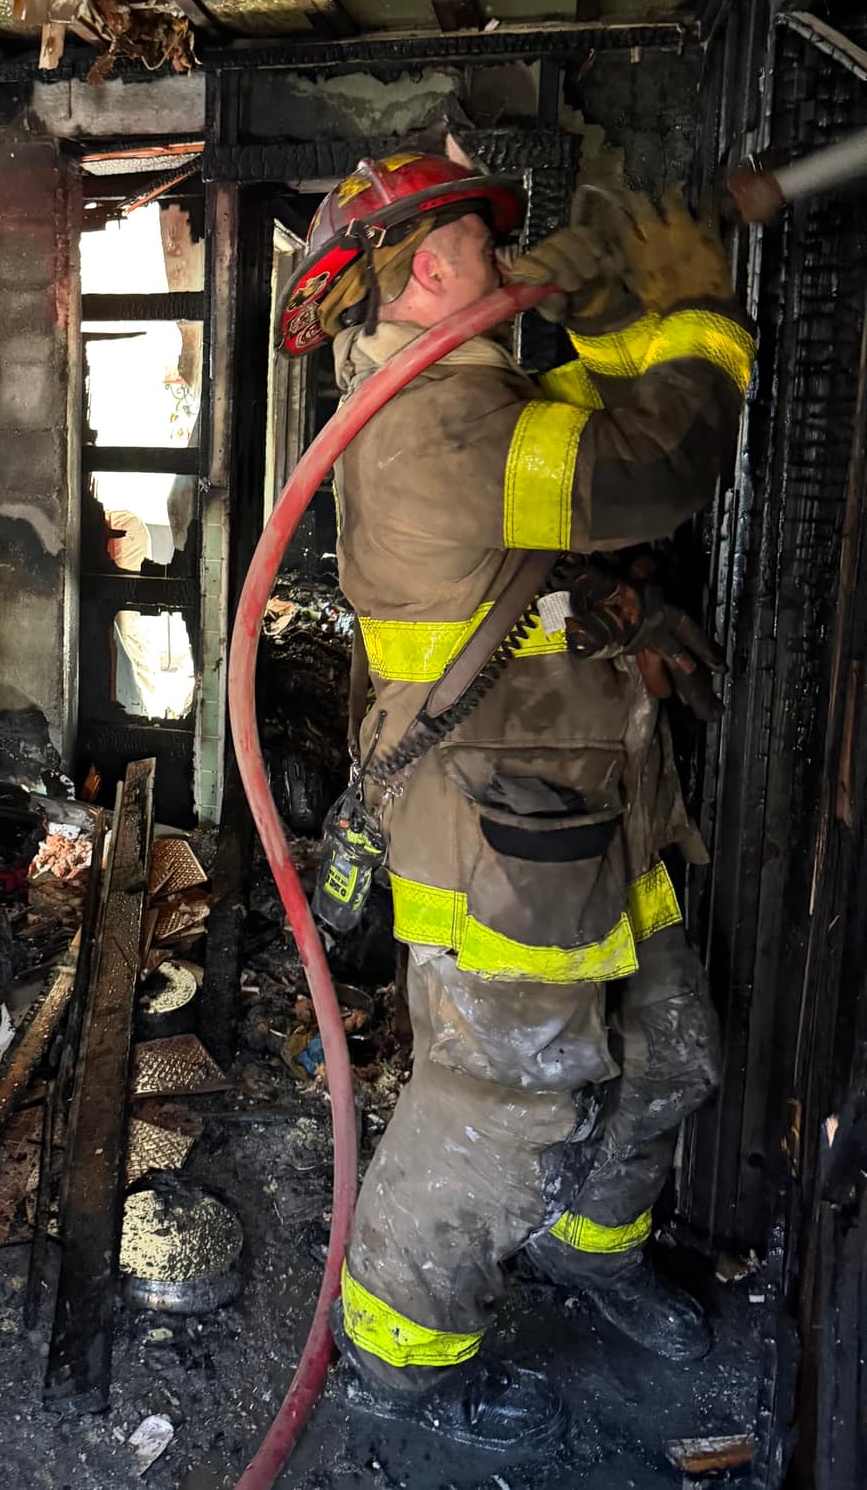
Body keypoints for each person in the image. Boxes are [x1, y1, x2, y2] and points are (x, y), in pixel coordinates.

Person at [277, 146, 753, 1452]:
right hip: (504, 834)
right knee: (504, 1106)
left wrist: (602, 309)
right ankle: (398, 1360)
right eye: (485, 244)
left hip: (594, 803)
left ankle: (590, 1251)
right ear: (431, 270)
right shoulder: (437, 419)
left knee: (666, 1057)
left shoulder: (478, 393)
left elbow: (570, 499)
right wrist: (689, 303)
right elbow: (652, 465)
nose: (505, 258)